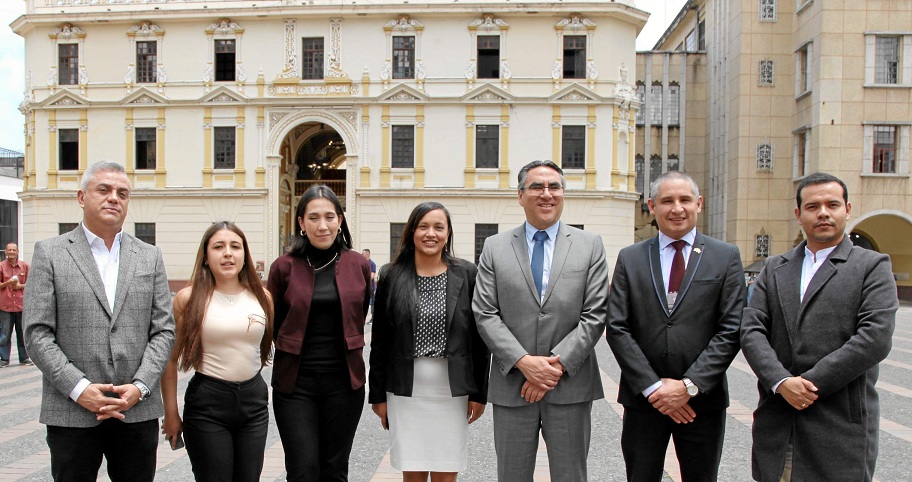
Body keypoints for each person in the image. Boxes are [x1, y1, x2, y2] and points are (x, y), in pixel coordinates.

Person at [22, 161, 175, 481]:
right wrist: (79, 388)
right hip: (71, 411)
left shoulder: (150, 256)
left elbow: (163, 329)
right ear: (81, 197)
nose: (113, 198)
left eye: (122, 193)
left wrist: (141, 386)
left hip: (136, 410)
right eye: (103, 190)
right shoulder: (50, 253)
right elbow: (37, 332)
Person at [740, 172, 897, 482]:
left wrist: (810, 384)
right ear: (799, 214)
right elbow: (751, 328)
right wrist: (781, 381)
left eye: (832, 204)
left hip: (838, 424)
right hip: (779, 419)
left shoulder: (871, 266)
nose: (823, 212)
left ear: (847, 210)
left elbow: (874, 337)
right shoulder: (775, 268)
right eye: (812, 206)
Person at [473, 160, 609, 482]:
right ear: (520, 195)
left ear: (563, 194)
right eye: (536, 187)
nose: (546, 194)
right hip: (512, 387)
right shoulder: (495, 247)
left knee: (570, 476)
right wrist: (523, 362)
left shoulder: (590, 245)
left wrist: (552, 367)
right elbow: (485, 312)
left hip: (570, 387)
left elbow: (596, 313)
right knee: (512, 476)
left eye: (554, 187)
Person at [605, 170, 745, 482]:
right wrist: (656, 389)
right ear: (652, 207)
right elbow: (617, 327)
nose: (676, 208)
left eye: (684, 200)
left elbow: (731, 328)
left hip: (701, 402)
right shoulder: (631, 257)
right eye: (667, 201)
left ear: (699, 204)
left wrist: (688, 386)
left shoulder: (725, 257)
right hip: (644, 401)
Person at [369, 202, 490, 482]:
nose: (430, 233)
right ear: (411, 232)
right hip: (406, 388)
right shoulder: (392, 275)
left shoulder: (467, 274)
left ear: (448, 234)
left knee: (447, 471)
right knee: (412, 470)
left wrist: (479, 393)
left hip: (452, 389)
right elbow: (381, 341)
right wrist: (377, 396)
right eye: (423, 226)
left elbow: (479, 340)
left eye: (438, 227)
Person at [267, 185, 372, 481]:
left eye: (329, 216)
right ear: (301, 222)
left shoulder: (358, 265)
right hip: (295, 384)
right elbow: (274, 321)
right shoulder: (283, 267)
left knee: (335, 469)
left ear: (340, 220)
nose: (322, 225)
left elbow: (359, 312)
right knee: (303, 469)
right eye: (313, 218)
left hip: (344, 382)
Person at [161, 222, 274, 481]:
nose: (227, 253)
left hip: (253, 403)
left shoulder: (263, 298)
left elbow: (263, 347)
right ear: (205, 256)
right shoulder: (188, 299)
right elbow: (169, 360)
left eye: (235, 246)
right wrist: (170, 413)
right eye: (218, 247)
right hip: (208, 403)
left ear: (245, 255)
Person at [0, 242, 31, 367]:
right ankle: (3, 359)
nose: (12, 252)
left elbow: (32, 283)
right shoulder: (1, 266)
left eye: (14, 250)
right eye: (9, 250)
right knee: (5, 334)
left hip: (21, 305)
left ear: (17, 252)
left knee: (22, 333)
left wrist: (20, 286)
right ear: (5, 252)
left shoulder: (25, 267)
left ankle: (24, 358)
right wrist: (8, 283)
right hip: (5, 305)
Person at [362, 248, 378, 320]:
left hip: (370, 287)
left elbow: (372, 276)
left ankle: (373, 318)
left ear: (367, 255)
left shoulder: (372, 264)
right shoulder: (362, 263)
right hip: (363, 287)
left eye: (363, 254)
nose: (361, 255)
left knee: (371, 303)